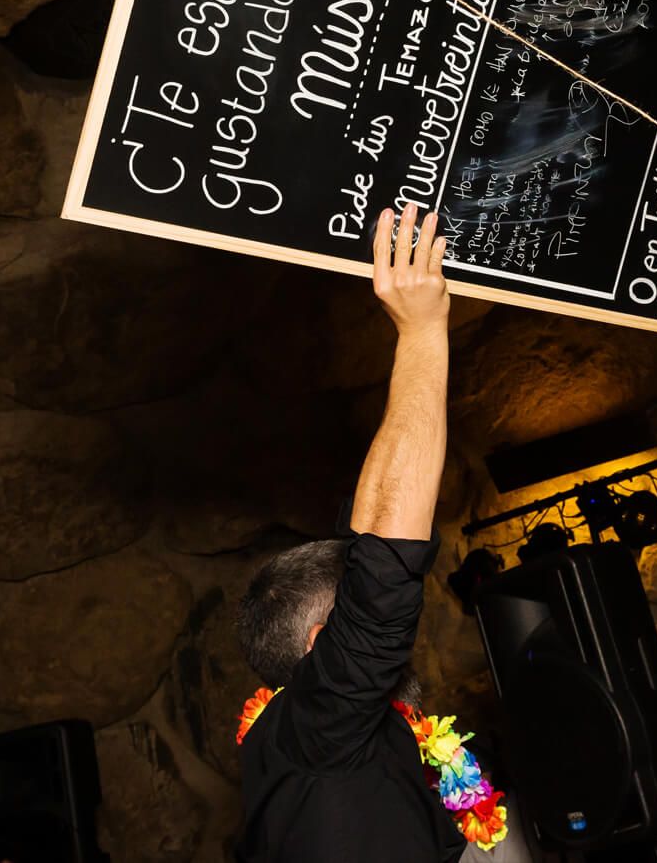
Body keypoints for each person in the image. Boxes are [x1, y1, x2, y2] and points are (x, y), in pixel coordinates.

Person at [232, 203, 507, 863]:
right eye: (353, 606)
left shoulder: (311, 735)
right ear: (324, 645)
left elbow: (373, 531)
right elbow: (384, 565)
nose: (373, 607)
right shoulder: (319, 728)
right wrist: (422, 331)